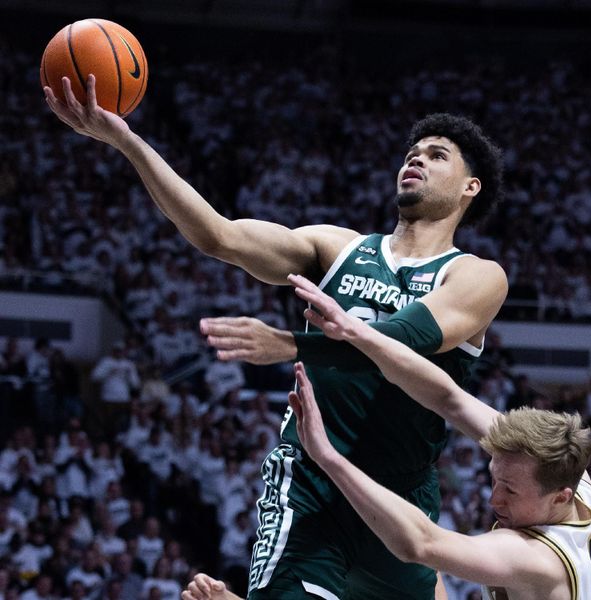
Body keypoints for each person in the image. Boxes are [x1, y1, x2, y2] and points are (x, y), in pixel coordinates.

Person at [45, 76, 507, 599]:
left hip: (401, 499)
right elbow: (218, 235)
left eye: (437, 155)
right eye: (412, 151)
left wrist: (293, 343)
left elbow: (407, 340)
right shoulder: (337, 248)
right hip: (309, 485)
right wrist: (128, 142)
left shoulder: (475, 275)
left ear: (471, 187)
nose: (415, 159)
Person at [185, 274, 591, 600]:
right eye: (494, 481)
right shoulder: (567, 471)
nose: (494, 500)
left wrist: (328, 455)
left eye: (508, 489)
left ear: (559, 497)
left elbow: (419, 543)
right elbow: (447, 396)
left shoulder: (534, 558)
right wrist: (354, 333)